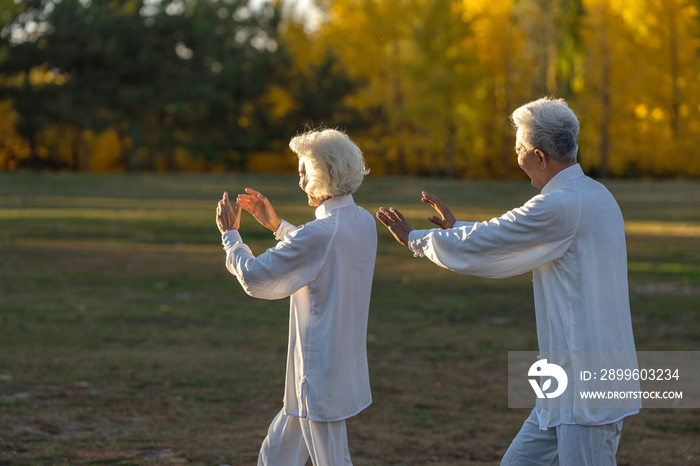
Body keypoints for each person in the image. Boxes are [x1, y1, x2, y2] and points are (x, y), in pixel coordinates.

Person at [376, 97, 639, 465]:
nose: (517, 159)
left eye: (519, 150)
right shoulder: (595, 195)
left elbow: (494, 240)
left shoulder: (560, 204)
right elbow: (509, 234)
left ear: (540, 156)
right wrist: (456, 228)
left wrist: (415, 239)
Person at [215, 128, 377, 466]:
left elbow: (257, 277)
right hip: (334, 366)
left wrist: (231, 236)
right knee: (277, 453)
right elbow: (322, 254)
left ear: (324, 175)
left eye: (304, 173)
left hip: (319, 373)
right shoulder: (361, 221)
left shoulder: (321, 234)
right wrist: (277, 226)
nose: (300, 182)